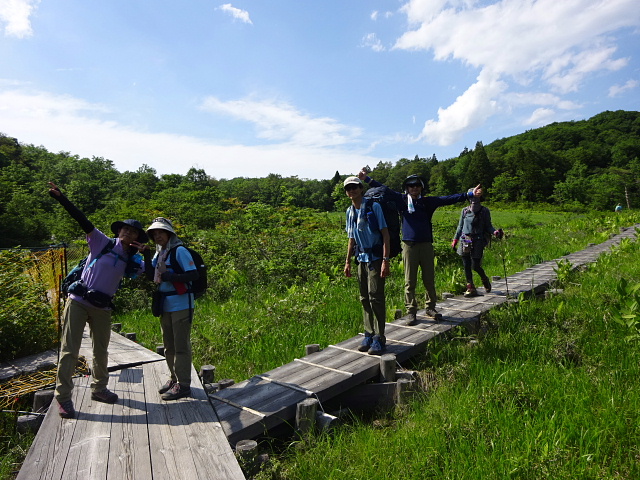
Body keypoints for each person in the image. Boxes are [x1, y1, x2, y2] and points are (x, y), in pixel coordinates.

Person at [48, 182, 149, 419]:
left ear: (137, 237)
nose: (127, 233)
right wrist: (62, 198)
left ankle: (99, 389)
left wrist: (146, 253)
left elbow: (152, 274)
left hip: (102, 307)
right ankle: (63, 398)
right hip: (79, 301)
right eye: (124, 229)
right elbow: (82, 220)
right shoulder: (102, 242)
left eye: (132, 232)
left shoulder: (132, 260)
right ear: (118, 232)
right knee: (69, 351)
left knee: (101, 350)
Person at [358, 169, 481, 325]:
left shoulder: (427, 202)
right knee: (410, 281)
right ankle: (411, 311)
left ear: (421, 187)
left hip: (426, 245)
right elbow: (384, 189)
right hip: (409, 246)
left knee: (429, 279)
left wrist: (469, 195)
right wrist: (367, 179)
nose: (414, 188)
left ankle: (430, 307)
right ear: (407, 188)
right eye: (411, 186)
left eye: (417, 185)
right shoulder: (402, 201)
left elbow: (448, 199)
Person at [145, 217, 199, 400]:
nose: (157, 236)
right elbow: (150, 273)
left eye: (160, 232)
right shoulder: (159, 253)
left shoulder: (180, 251)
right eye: (154, 233)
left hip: (182, 303)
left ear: (169, 233)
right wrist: (145, 254)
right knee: (169, 346)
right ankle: (174, 378)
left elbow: (193, 274)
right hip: (165, 304)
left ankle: (183, 385)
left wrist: (170, 276)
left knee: (181, 346)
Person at [343, 176, 391, 355]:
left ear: (361, 188)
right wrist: (347, 261)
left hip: (376, 258)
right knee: (364, 297)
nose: (352, 190)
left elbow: (385, 235)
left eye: (355, 187)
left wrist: (385, 261)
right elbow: (351, 238)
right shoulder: (349, 211)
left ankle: (380, 337)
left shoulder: (374, 206)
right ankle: (368, 334)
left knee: (375, 297)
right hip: (360, 258)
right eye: (348, 188)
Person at [451, 190, 501, 297]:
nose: (474, 200)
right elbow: (460, 226)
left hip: (478, 240)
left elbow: (488, 226)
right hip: (465, 240)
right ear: (469, 199)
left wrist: (495, 232)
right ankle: (470, 287)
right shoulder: (464, 211)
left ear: (480, 198)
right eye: (472, 198)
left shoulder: (484, 211)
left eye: (476, 197)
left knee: (475, 265)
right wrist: (455, 239)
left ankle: (484, 279)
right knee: (466, 264)